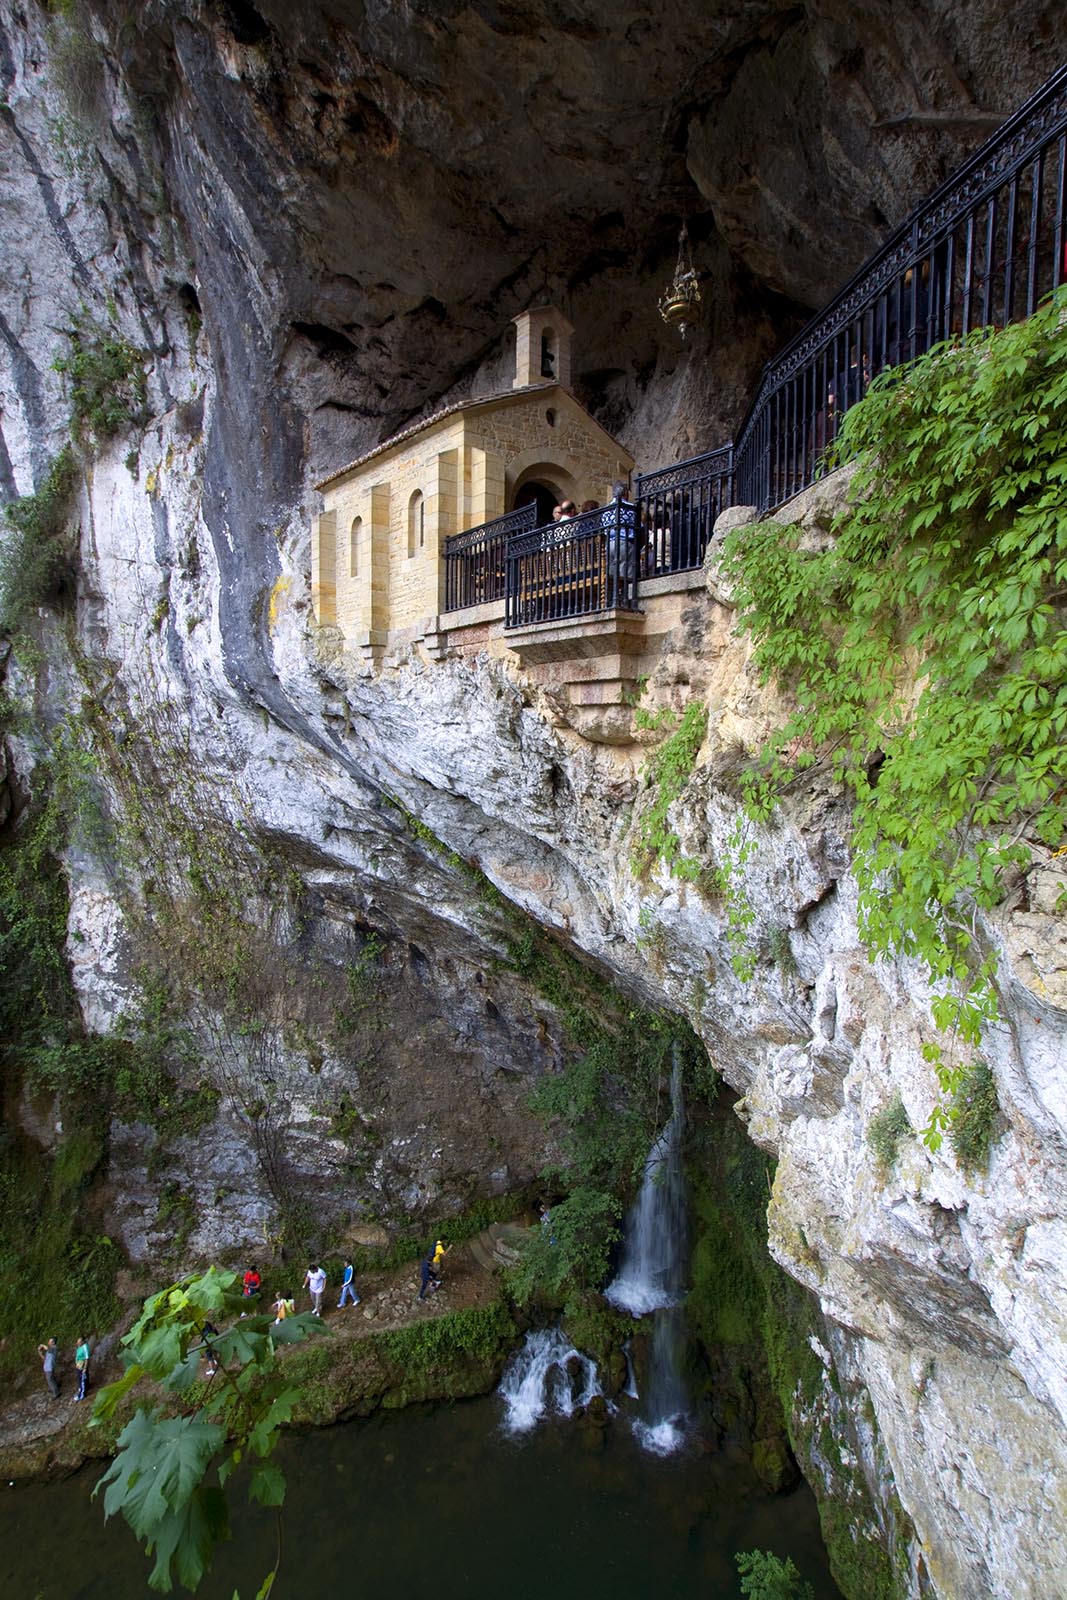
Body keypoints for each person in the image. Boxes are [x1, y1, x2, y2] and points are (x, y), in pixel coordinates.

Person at [73, 1335, 90, 1401]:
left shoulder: (85, 1347)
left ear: (83, 1341)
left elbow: (86, 1358)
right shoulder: (79, 1347)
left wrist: (85, 1368)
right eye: (78, 1342)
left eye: (80, 1342)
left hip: (82, 1366)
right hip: (79, 1365)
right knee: (81, 1378)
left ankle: (81, 1395)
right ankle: (84, 1387)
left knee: (82, 1379)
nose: (78, 1343)